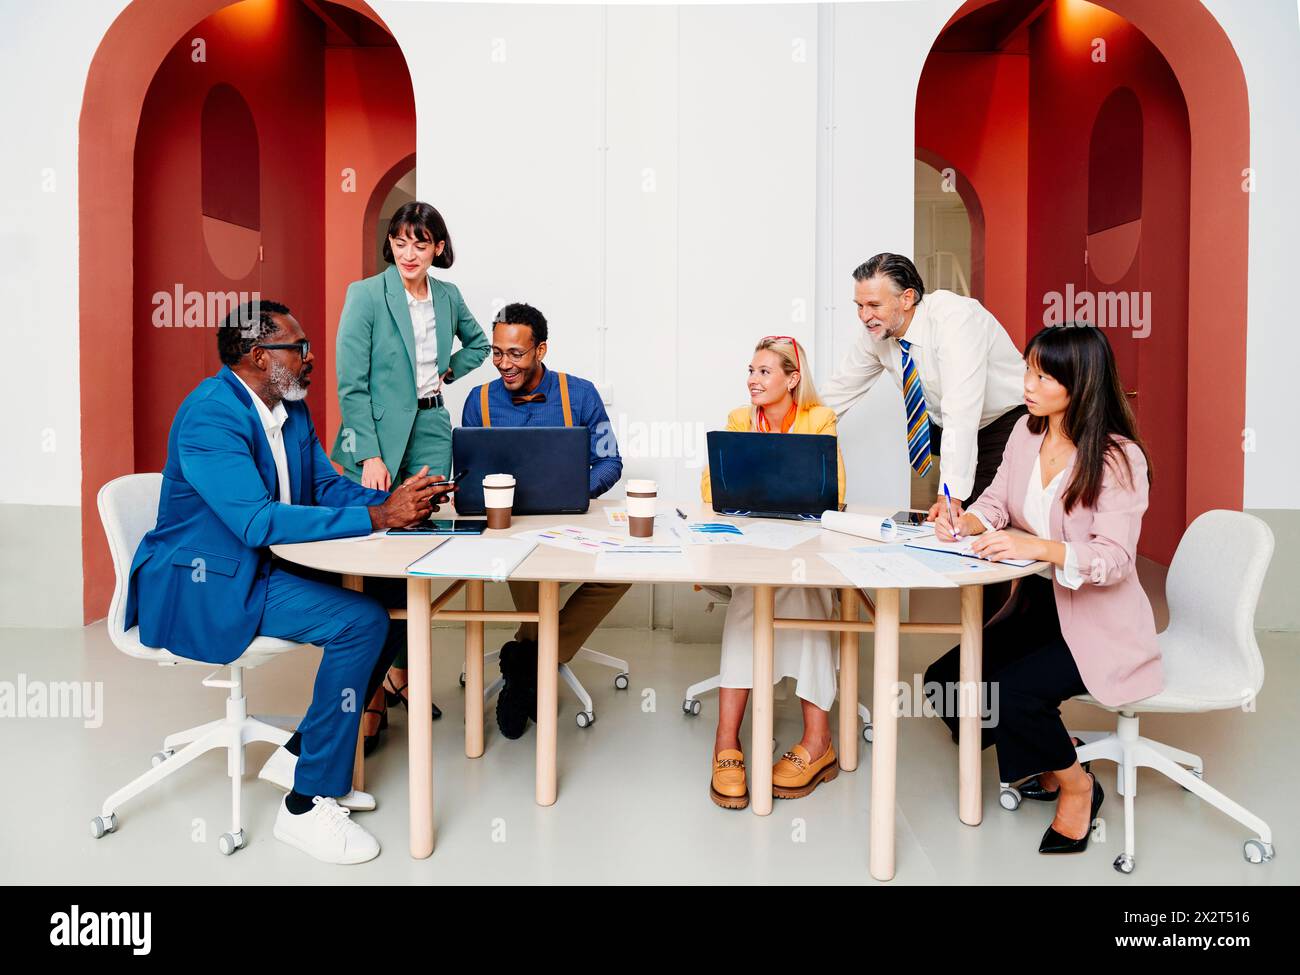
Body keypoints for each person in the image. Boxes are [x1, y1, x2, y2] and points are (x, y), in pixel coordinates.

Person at [126, 300, 451, 864]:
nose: (310, 358)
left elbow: (324, 488)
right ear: (258, 356)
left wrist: (398, 504)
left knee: (393, 595)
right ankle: (305, 804)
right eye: (298, 348)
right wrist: (380, 518)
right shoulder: (210, 415)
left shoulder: (290, 407)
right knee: (360, 622)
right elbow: (254, 520)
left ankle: (303, 753)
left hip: (259, 564)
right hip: (206, 582)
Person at [924, 323, 1163, 855]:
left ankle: (1078, 787)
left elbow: (1116, 560)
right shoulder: (1026, 433)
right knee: (946, 682)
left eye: (1040, 374)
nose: (1026, 383)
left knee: (1008, 694)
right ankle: (1052, 757)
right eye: (1027, 370)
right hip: (1039, 606)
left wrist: (1037, 548)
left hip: (1098, 623)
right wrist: (965, 521)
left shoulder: (1119, 459)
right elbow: (997, 504)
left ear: (1079, 383)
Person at [331, 201, 489, 741]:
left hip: (429, 428)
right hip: (375, 437)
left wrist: (449, 370)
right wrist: (369, 454)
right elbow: (350, 381)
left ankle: (397, 672)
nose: (409, 254)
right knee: (374, 557)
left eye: (420, 244)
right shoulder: (366, 294)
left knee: (416, 548)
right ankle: (372, 693)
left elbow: (480, 344)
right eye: (400, 243)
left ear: (438, 248)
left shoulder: (447, 296)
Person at [461, 302, 628, 740]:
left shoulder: (582, 394)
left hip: (574, 518)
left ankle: (525, 665)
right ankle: (537, 665)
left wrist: (576, 490)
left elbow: (610, 460)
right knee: (528, 570)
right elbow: (468, 476)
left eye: (515, 353)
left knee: (622, 570)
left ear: (541, 350)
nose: (504, 364)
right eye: (497, 353)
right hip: (512, 529)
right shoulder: (478, 402)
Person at [700, 337, 847, 810]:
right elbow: (711, 489)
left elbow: (834, 490)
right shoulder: (740, 420)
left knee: (807, 598)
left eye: (764, 372)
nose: (753, 380)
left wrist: (765, 476)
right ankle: (727, 742)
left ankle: (818, 743)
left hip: (807, 544)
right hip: (752, 546)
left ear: (792, 378)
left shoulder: (818, 419)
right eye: (751, 371)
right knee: (750, 600)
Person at [820, 253, 1027, 520]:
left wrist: (949, 496)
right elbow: (839, 389)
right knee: (955, 524)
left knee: (983, 519)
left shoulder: (955, 319)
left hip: (1005, 425)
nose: (864, 315)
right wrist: (788, 433)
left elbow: (961, 410)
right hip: (950, 428)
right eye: (859, 305)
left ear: (907, 298)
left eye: (873, 304)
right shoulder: (878, 333)